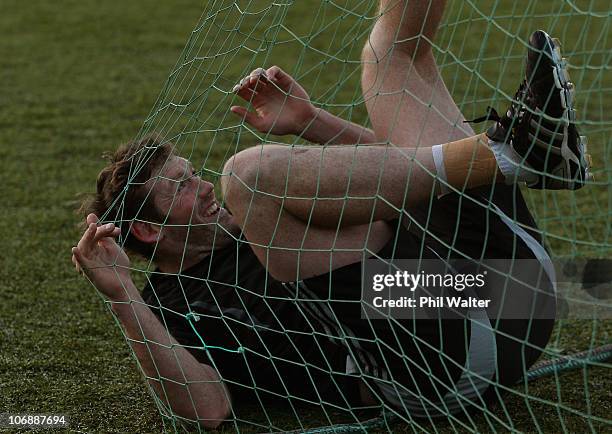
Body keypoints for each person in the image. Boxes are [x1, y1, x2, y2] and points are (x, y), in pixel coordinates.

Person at [72, 0, 591, 429]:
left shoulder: (263, 222)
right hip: (436, 356)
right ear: (147, 228)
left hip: (505, 285)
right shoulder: (171, 306)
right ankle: (505, 154)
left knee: (388, 57)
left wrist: (311, 122)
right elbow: (209, 410)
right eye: (181, 186)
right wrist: (121, 294)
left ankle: (505, 156)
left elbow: (407, 184)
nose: (202, 185)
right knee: (247, 177)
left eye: (191, 172)